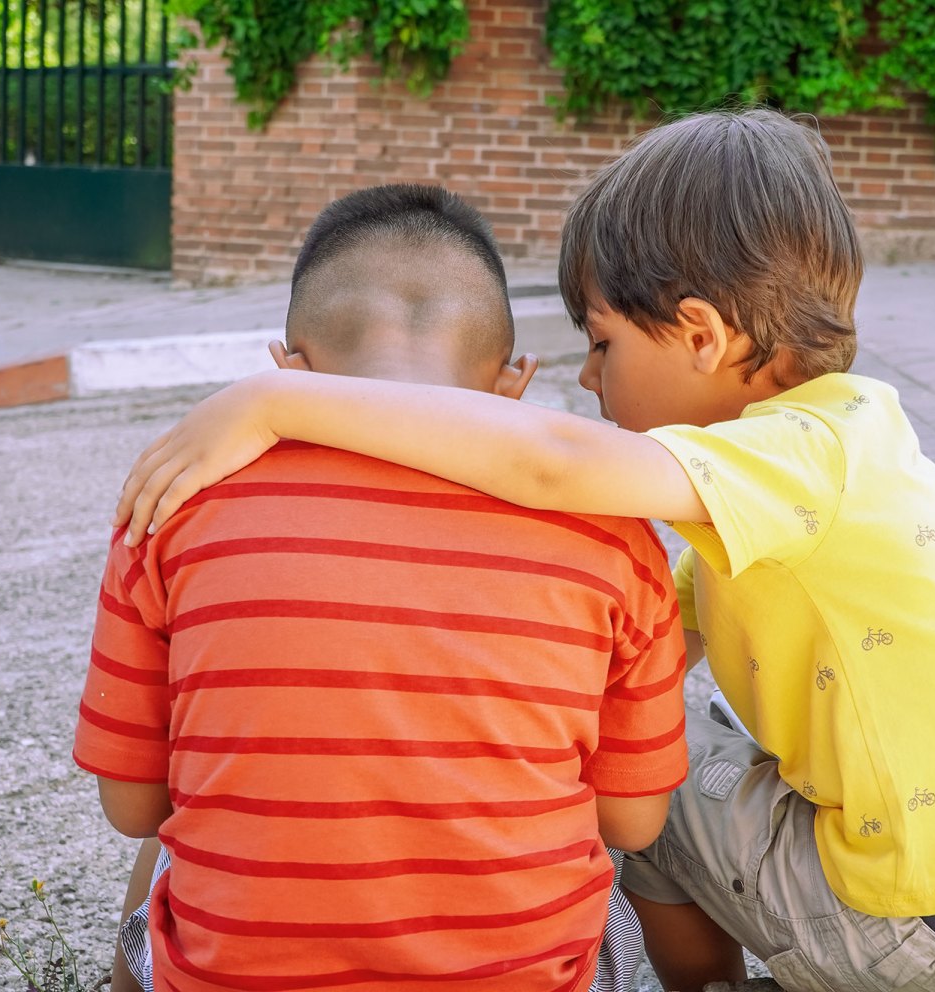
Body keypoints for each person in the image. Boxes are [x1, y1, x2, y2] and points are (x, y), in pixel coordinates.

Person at [111, 109, 935, 992]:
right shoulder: (829, 453)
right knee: (646, 738)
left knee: (668, 786)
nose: (589, 382)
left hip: (926, 935)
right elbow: (596, 659)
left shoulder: (804, 452)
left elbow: (558, 465)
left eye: (602, 344)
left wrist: (290, 401)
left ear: (699, 334)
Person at [75, 183, 689, 992]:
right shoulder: (616, 534)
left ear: (288, 371)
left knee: (175, 838)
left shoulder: (172, 506)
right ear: (513, 384)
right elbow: (633, 822)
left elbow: (133, 809)